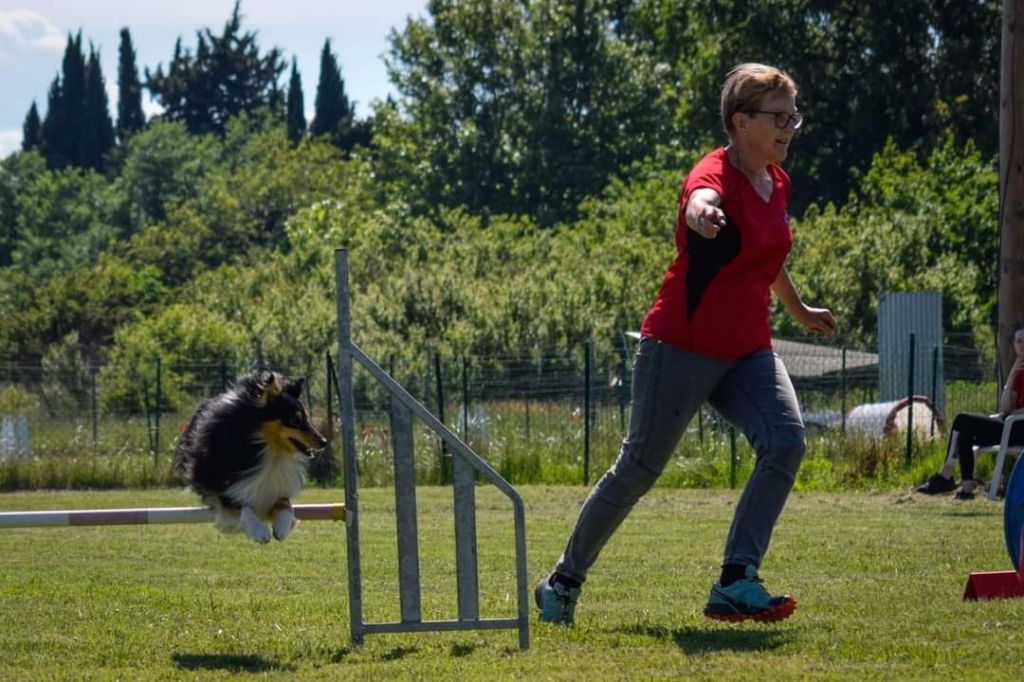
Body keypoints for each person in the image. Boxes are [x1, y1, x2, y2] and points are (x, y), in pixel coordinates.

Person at [535, 63, 837, 626]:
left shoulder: (778, 181)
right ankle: (561, 582)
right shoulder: (712, 174)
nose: (790, 127)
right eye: (779, 117)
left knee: (786, 441)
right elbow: (699, 199)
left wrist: (799, 309)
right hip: (681, 344)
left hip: (748, 350)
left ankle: (735, 580)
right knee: (639, 469)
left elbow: (768, 258)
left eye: (794, 116)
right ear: (741, 121)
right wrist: (701, 214)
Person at [917, 326, 1024, 500]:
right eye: (1018, 341)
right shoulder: (1019, 373)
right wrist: (1013, 373)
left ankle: (946, 475)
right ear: (1013, 345)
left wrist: (1011, 414)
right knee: (965, 431)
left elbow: (1009, 412)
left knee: (961, 419)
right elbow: (1005, 406)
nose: (1022, 346)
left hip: (1018, 429)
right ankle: (966, 488)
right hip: (1009, 425)